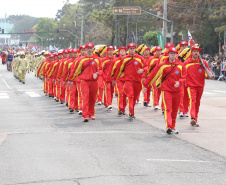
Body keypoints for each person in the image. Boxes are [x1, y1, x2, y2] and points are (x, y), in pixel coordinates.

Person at [143, 47, 186, 134]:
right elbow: (153, 75)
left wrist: (179, 82)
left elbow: (184, 76)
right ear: (168, 54)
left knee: (174, 110)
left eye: (174, 54)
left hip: (177, 91)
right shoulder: (162, 65)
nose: (173, 55)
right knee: (168, 108)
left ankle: (173, 126)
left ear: (176, 55)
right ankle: (169, 126)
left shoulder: (181, 65)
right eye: (171, 53)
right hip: (167, 90)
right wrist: (146, 85)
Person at [184, 46, 214, 127]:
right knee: (192, 101)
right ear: (191, 52)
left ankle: (195, 120)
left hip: (200, 86)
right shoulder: (186, 63)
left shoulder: (203, 62)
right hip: (190, 86)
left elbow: (209, 76)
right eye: (194, 51)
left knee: (197, 103)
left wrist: (207, 71)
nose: (196, 53)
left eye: (197, 51)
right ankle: (193, 117)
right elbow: (182, 75)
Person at [72, 43, 102, 122]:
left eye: (90, 48)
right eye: (87, 48)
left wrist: (97, 73)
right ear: (86, 49)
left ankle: (91, 114)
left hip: (94, 81)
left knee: (92, 98)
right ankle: (85, 115)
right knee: (85, 98)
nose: (89, 49)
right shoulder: (81, 60)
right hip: (84, 81)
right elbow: (76, 70)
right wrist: (71, 79)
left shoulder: (97, 59)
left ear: (93, 49)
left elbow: (101, 70)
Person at [117, 43, 146, 121]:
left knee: (134, 98)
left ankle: (131, 108)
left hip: (138, 82)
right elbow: (120, 70)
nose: (132, 50)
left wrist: (143, 70)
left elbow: (146, 67)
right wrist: (116, 79)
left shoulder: (140, 58)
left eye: (133, 48)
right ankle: (131, 113)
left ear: (135, 49)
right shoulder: (125, 59)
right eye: (130, 48)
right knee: (131, 96)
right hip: (128, 81)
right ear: (128, 50)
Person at [111, 46, 127, 116]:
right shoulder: (115, 61)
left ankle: (123, 109)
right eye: (121, 51)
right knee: (120, 93)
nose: (122, 52)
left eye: (124, 51)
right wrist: (113, 79)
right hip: (119, 79)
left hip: (127, 79)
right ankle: (120, 108)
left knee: (125, 95)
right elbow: (112, 71)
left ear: (126, 52)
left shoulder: (128, 59)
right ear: (119, 52)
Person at [102, 46, 115, 111]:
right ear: (107, 51)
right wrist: (104, 77)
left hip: (113, 78)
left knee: (112, 91)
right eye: (109, 50)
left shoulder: (115, 59)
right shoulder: (104, 60)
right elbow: (101, 69)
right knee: (108, 90)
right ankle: (109, 104)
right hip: (106, 78)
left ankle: (106, 103)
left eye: (112, 50)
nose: (110, 51)